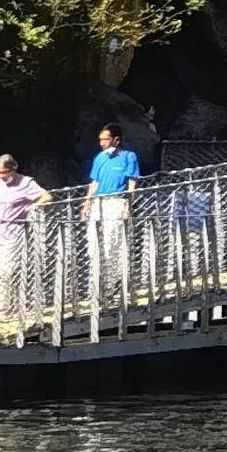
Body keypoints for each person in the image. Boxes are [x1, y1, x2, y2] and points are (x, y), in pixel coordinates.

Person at [0, 150, 45, 330]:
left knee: (6, 271)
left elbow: (46, 196)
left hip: (15, 232)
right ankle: (4, 308)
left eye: (4, 173)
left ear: (12, 170)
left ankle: (5, 310)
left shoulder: (26, 183)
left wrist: (32, 206)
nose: (1, 176)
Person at [86, 125, 142, 321]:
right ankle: (97, 288)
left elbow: (132, 181)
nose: (103, 144)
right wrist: (87, 203)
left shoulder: (128, 157)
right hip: (99, 203)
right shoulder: (100, 158)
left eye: (106, 140)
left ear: (116, 140)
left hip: (117, 201)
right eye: (100, 140)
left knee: (113, 245)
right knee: (95, 245)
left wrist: (128, 203)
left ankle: (113, 288)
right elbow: (94, 182)